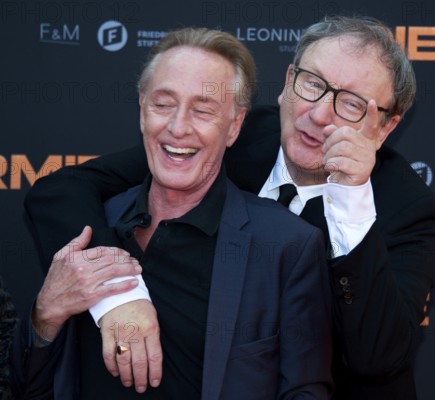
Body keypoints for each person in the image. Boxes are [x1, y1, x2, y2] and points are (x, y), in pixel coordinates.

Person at [23, 16, 435, 399]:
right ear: (287, 81)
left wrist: (353, 201)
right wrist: (119, 291)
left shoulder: (409, 209)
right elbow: (63, 191)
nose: (318, 115)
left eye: (352, 103)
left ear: (386, 127)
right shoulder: (227, 134)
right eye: (312, 84)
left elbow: (376, 360)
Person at [10, 27, 332, 399]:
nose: (179, 128)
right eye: (164, 104)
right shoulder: (91, 227)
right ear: (142, 109)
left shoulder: (286, 245)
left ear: (235, 126)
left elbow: (305, 391)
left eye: (203, 110)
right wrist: (45, 316)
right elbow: (27, 388)